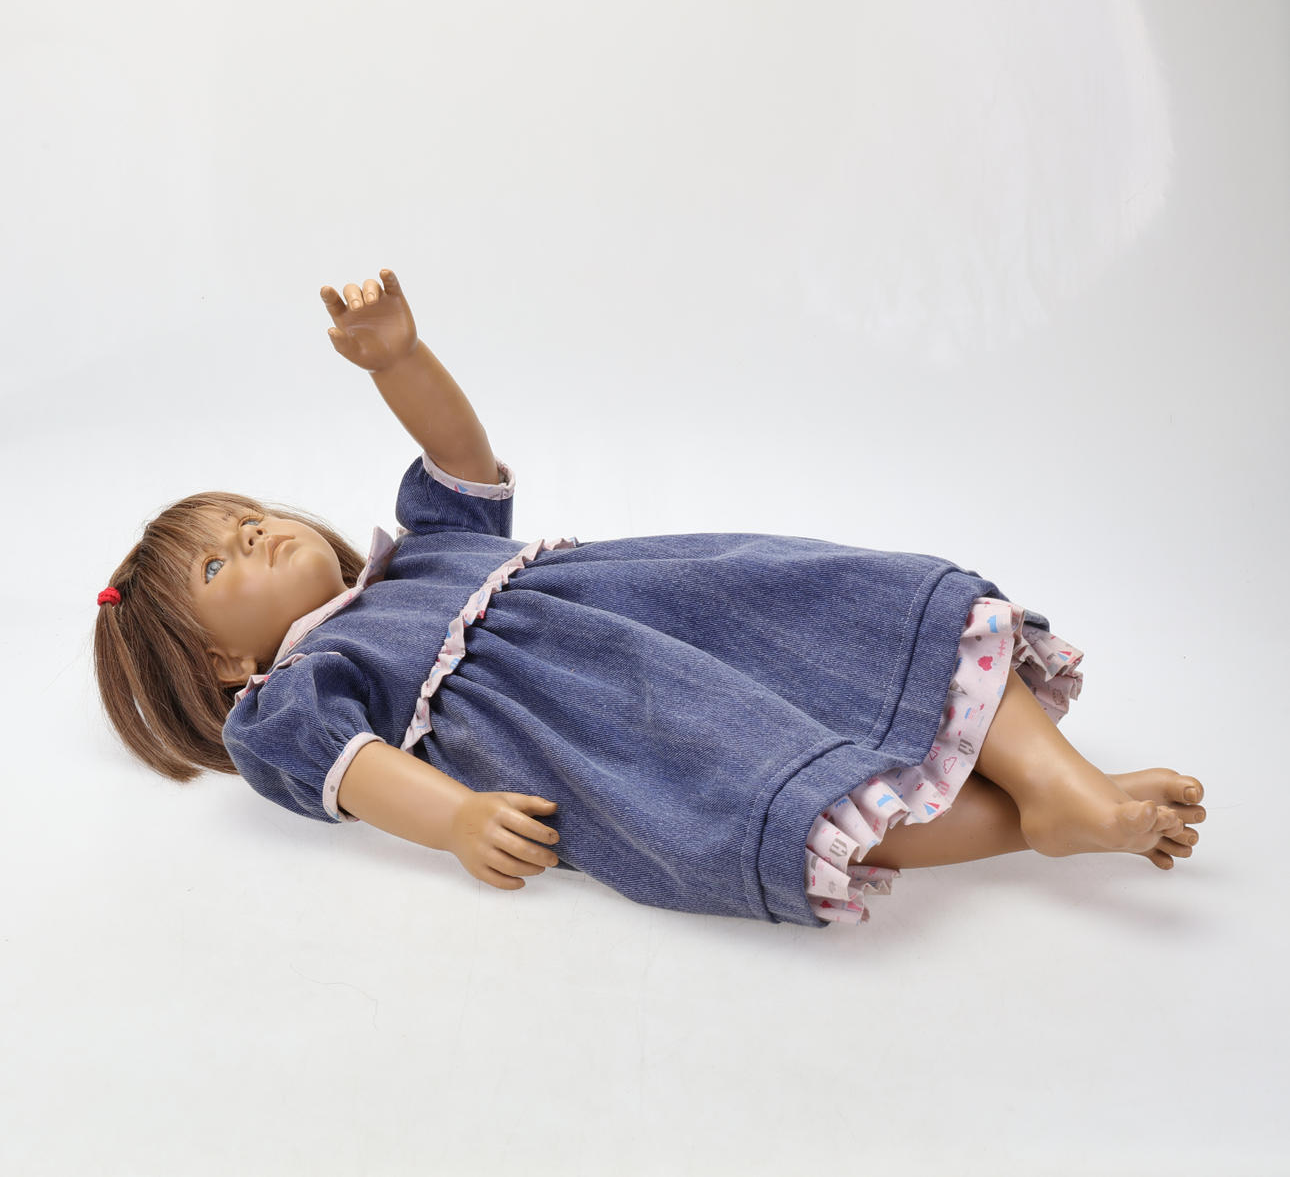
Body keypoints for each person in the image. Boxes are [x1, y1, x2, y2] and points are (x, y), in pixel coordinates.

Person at [93, 269, 1205, 928]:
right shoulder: (293, 695)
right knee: (767, 792)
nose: (255, 534)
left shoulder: (422, 554)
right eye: (218, 566)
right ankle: (1039, 824)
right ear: (221, 664)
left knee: (858, 616)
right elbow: (362, 770)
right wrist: (457, 820)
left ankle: (1059, 784)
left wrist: (400, 362)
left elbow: (459, 454)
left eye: (246, 518)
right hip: (608, 727)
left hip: (676, 605)